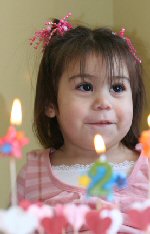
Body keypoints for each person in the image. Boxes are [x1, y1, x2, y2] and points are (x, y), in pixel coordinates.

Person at [17, 13, 148, 233]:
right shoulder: (33, 174)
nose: (103, 102)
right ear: (50, 102)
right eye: (85, 87)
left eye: (117, 88)